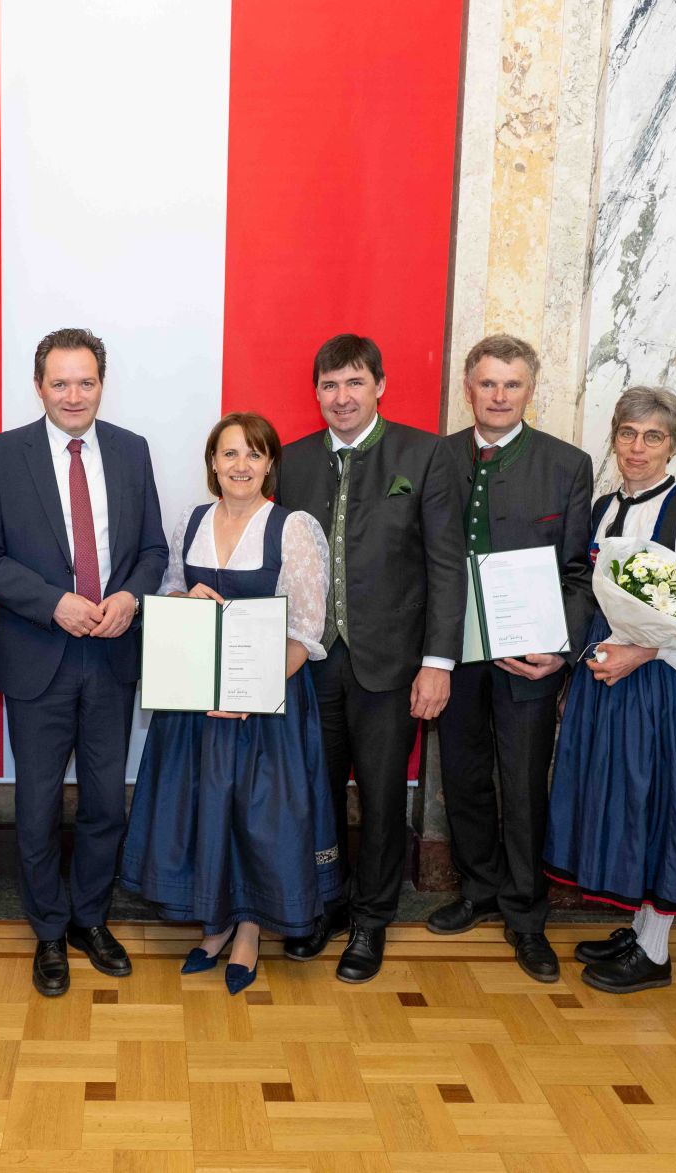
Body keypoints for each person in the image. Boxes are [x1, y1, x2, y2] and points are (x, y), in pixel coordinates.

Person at [0, 328, 168, 996]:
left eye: (85, 381)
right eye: (60, 382)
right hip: (38, 656)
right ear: (38, 385)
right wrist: (53, 603)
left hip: (111, 656)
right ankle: (48, 929)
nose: (73, 394)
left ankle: (89, 918)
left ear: (102, 383)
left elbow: (153, 550)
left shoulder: (133, 452)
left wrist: (131, 597)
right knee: (39, 805)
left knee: (107, 801)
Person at [122, 413, 339, 994]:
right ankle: (213, 924)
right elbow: (167, 595)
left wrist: (254, 692)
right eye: (229, 454)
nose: (240, 465)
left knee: (256, 819)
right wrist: (181, 595)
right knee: (204, 812)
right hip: (195, 707)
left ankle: (248, 929)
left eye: (253, 454)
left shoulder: (291, 528)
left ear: (270, 464)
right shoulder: (189, 522)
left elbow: (308, 630)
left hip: (264, 709)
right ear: (212, 463)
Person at [272, 334, 465, 983]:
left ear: (379, 384)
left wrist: (438, 661)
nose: (342, 396)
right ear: (317, 393)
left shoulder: (423, 453)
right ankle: (322, 902)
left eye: (354, 382)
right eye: (329, 385)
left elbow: (445, 563)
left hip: (392, 664)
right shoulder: (291, 462)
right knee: (316, 791)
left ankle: (371, 917)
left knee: (383, 795)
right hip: (311, 662)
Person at [542, 387, 676, 993]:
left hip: (661, 689)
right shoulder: (603, 506)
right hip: (609, 683)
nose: (637, 447)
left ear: (674, 445)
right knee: (623, 803)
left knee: (660, 805)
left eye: (653, 437)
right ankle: (638, 926)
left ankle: (655, 952)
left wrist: (646, 651)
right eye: (628, 432)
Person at [429, 334, 595, 983]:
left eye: (512, 384)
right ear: (468, 388)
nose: (498, 395)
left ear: (530, 389)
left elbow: (578, 572)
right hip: (452, 653)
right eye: (487, 383)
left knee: (523, 784)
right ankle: (478, 887)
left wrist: (559, 650)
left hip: (528, 657)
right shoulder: (436, 455)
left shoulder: (566, 463)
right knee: (463, 776)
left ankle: (526, 914)